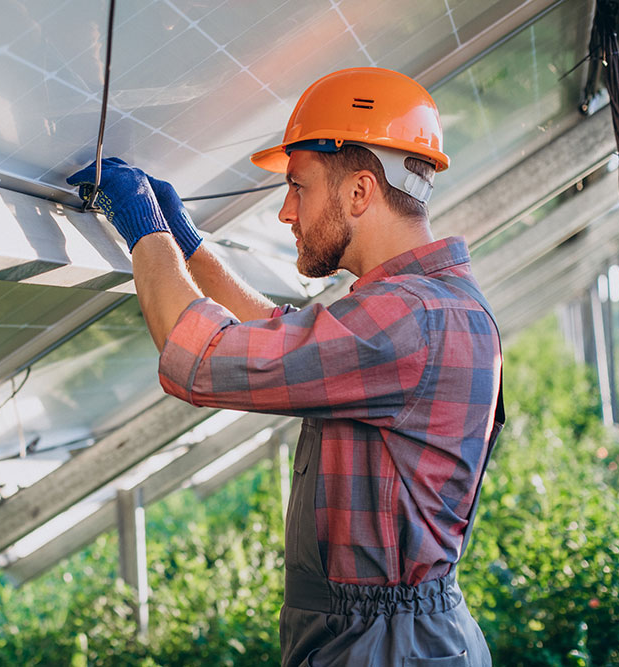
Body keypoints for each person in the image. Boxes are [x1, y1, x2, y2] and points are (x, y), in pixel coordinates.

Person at [68, 67, 504, 667]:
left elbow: (201, 357)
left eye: (298, 186)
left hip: (382, 647)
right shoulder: (428, 305)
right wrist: (190, 247)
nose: (285, 212)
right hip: (400, 636)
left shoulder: (408, 319)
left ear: (359, 192)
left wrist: (144, 227)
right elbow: (286, 339)